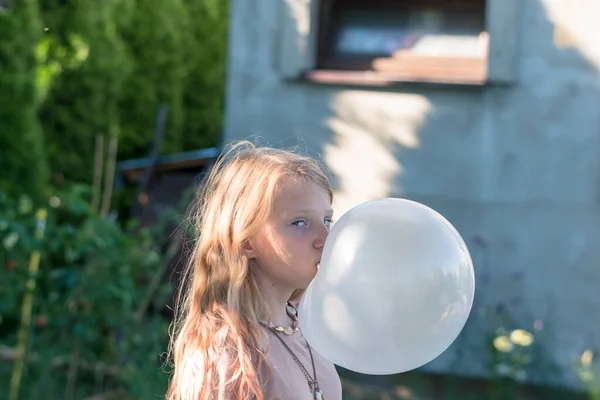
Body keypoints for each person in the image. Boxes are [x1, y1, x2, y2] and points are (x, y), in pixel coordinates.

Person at [166, 141, 343, 400]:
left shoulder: (308, 329)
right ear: (246, 241)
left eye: (327, 220)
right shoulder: (226, 355)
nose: (325, 238)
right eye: (299, 222)